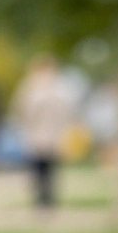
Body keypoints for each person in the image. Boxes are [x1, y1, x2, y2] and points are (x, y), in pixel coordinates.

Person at [12, 55, 74, 209]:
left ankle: (42, 197)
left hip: (39, 134)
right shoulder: (59, 87)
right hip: (49, 134)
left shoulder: (31, 87)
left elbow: (21, 110)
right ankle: (46, 197)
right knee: (48, 168)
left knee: (40, 168)